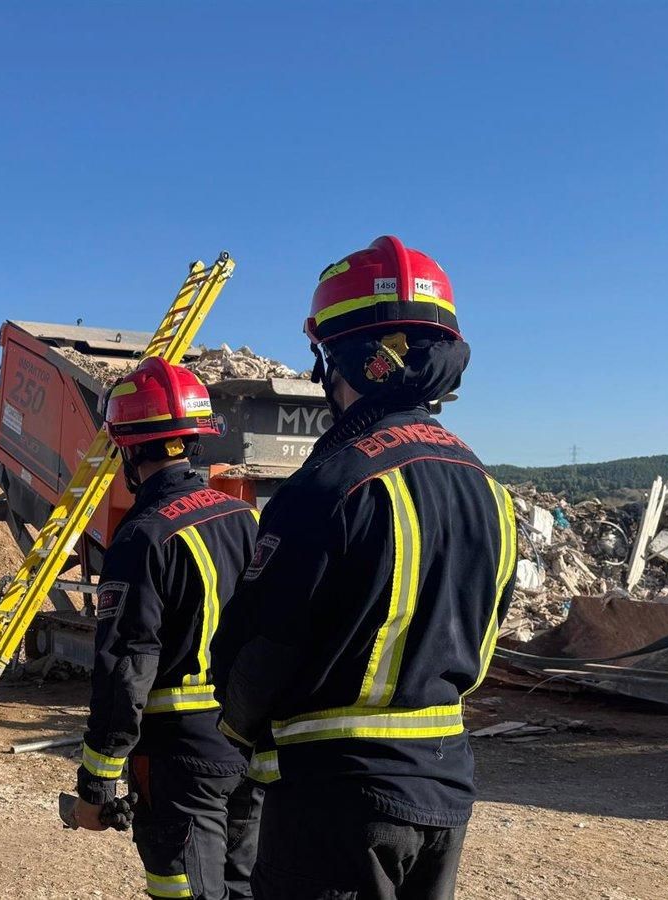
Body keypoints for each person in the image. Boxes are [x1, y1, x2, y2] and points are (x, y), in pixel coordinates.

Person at [211, 236, 518, 900]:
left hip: (336, 806)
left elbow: (261, 652)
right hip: (446, 793)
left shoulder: (330, 485)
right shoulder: (490, 492)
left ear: (335, 358)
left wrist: (235, 730)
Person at [72, 358, 264, 900]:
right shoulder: (245, 519)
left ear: (130, 449)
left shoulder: (142, 537)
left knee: (182, 889)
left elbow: (125, 668)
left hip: (181, 758)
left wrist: (98, 782)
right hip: (246, 746)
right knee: (241, 886)